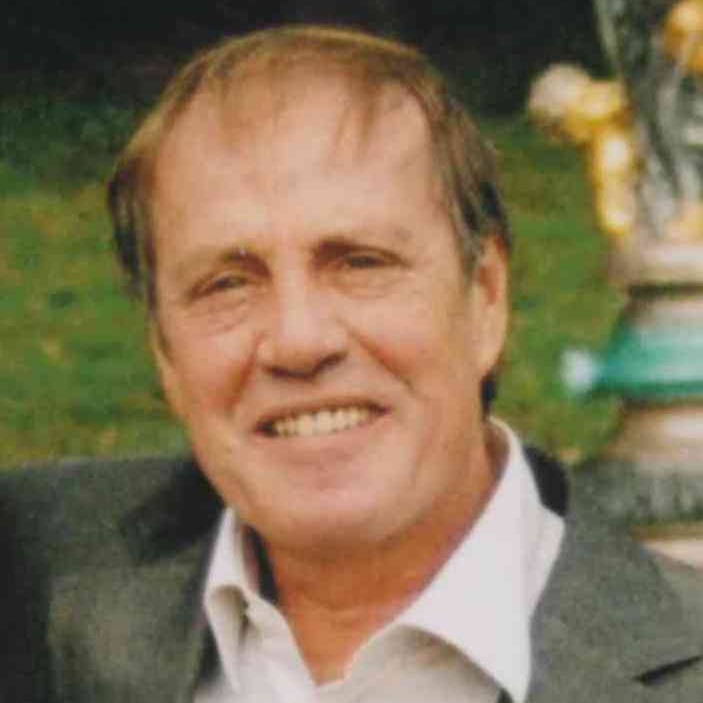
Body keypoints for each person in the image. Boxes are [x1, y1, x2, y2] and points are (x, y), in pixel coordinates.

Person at [2, 25, 703, 703]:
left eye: (360, 263)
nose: (299, 340)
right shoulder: (41, 576)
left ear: (484, 297)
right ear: (164, 350)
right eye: (227, 284)